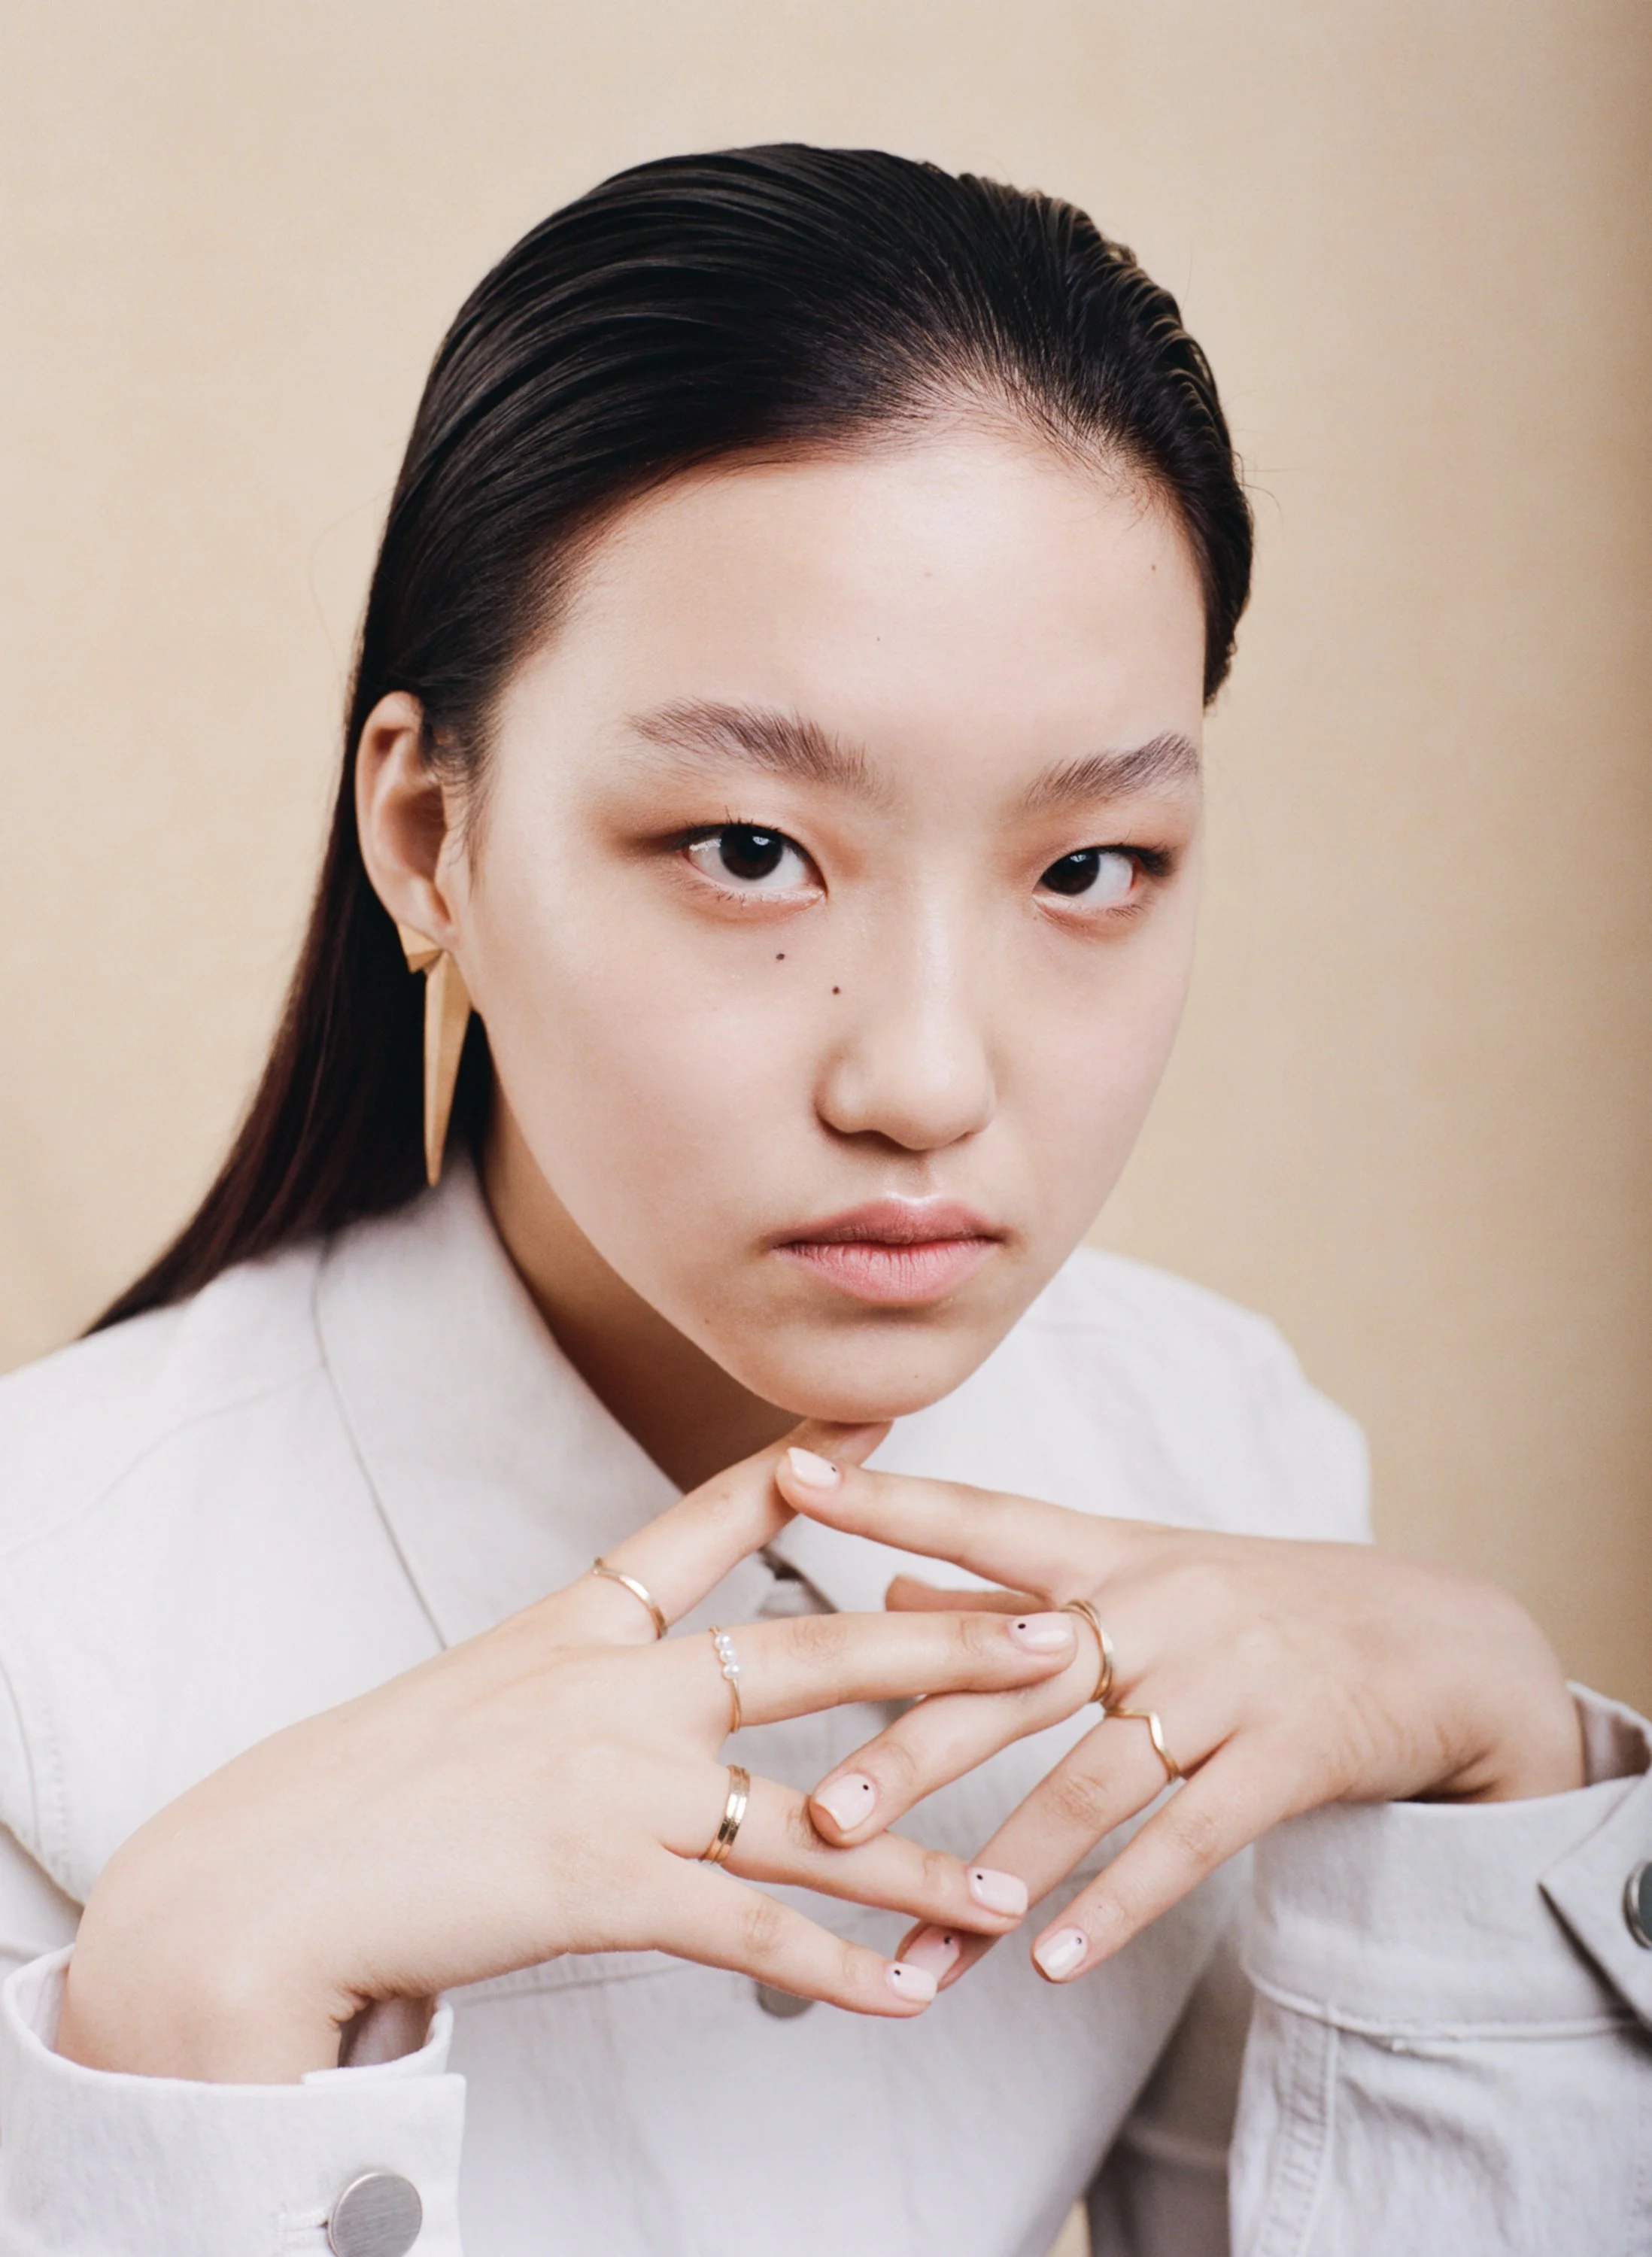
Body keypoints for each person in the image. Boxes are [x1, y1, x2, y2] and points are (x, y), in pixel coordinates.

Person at [0, 145, 1644, 2257]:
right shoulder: (50, 1618)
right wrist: (196, 2010)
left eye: (1086, 869)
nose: (927, 1078)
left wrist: (1503, 1773)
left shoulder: (1216, 1449)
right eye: (750, 851)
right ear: (430, 836)